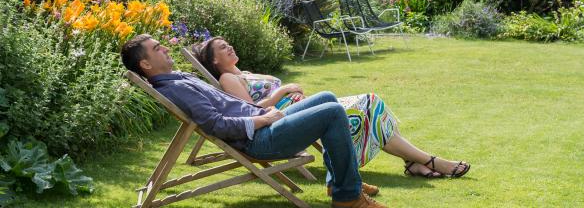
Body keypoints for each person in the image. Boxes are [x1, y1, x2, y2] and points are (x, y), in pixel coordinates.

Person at [121, 34, 386, 208]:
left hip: (261, 122)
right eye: (158, 48)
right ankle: (348, 198)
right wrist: (263, 119)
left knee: (326, 98)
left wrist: (261, 114)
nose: (165, 47)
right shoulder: (175, 88)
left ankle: (339, 181)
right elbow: (216, 124)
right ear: (145, 64)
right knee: (332, 112)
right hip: (258, 139)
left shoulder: (178, 78)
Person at [194, 37, 471, 182]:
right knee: (368, 104)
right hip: (287, 120)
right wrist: (283, 91)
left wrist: (292, 93)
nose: (229, 47)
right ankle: (427, 161)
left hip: (301, 108)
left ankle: (416, 162)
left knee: (371, 106)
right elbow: (251, 110)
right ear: (214, 60)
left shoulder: (244, 72)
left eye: (228, 43)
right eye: (222, 47)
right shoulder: (227, 79)